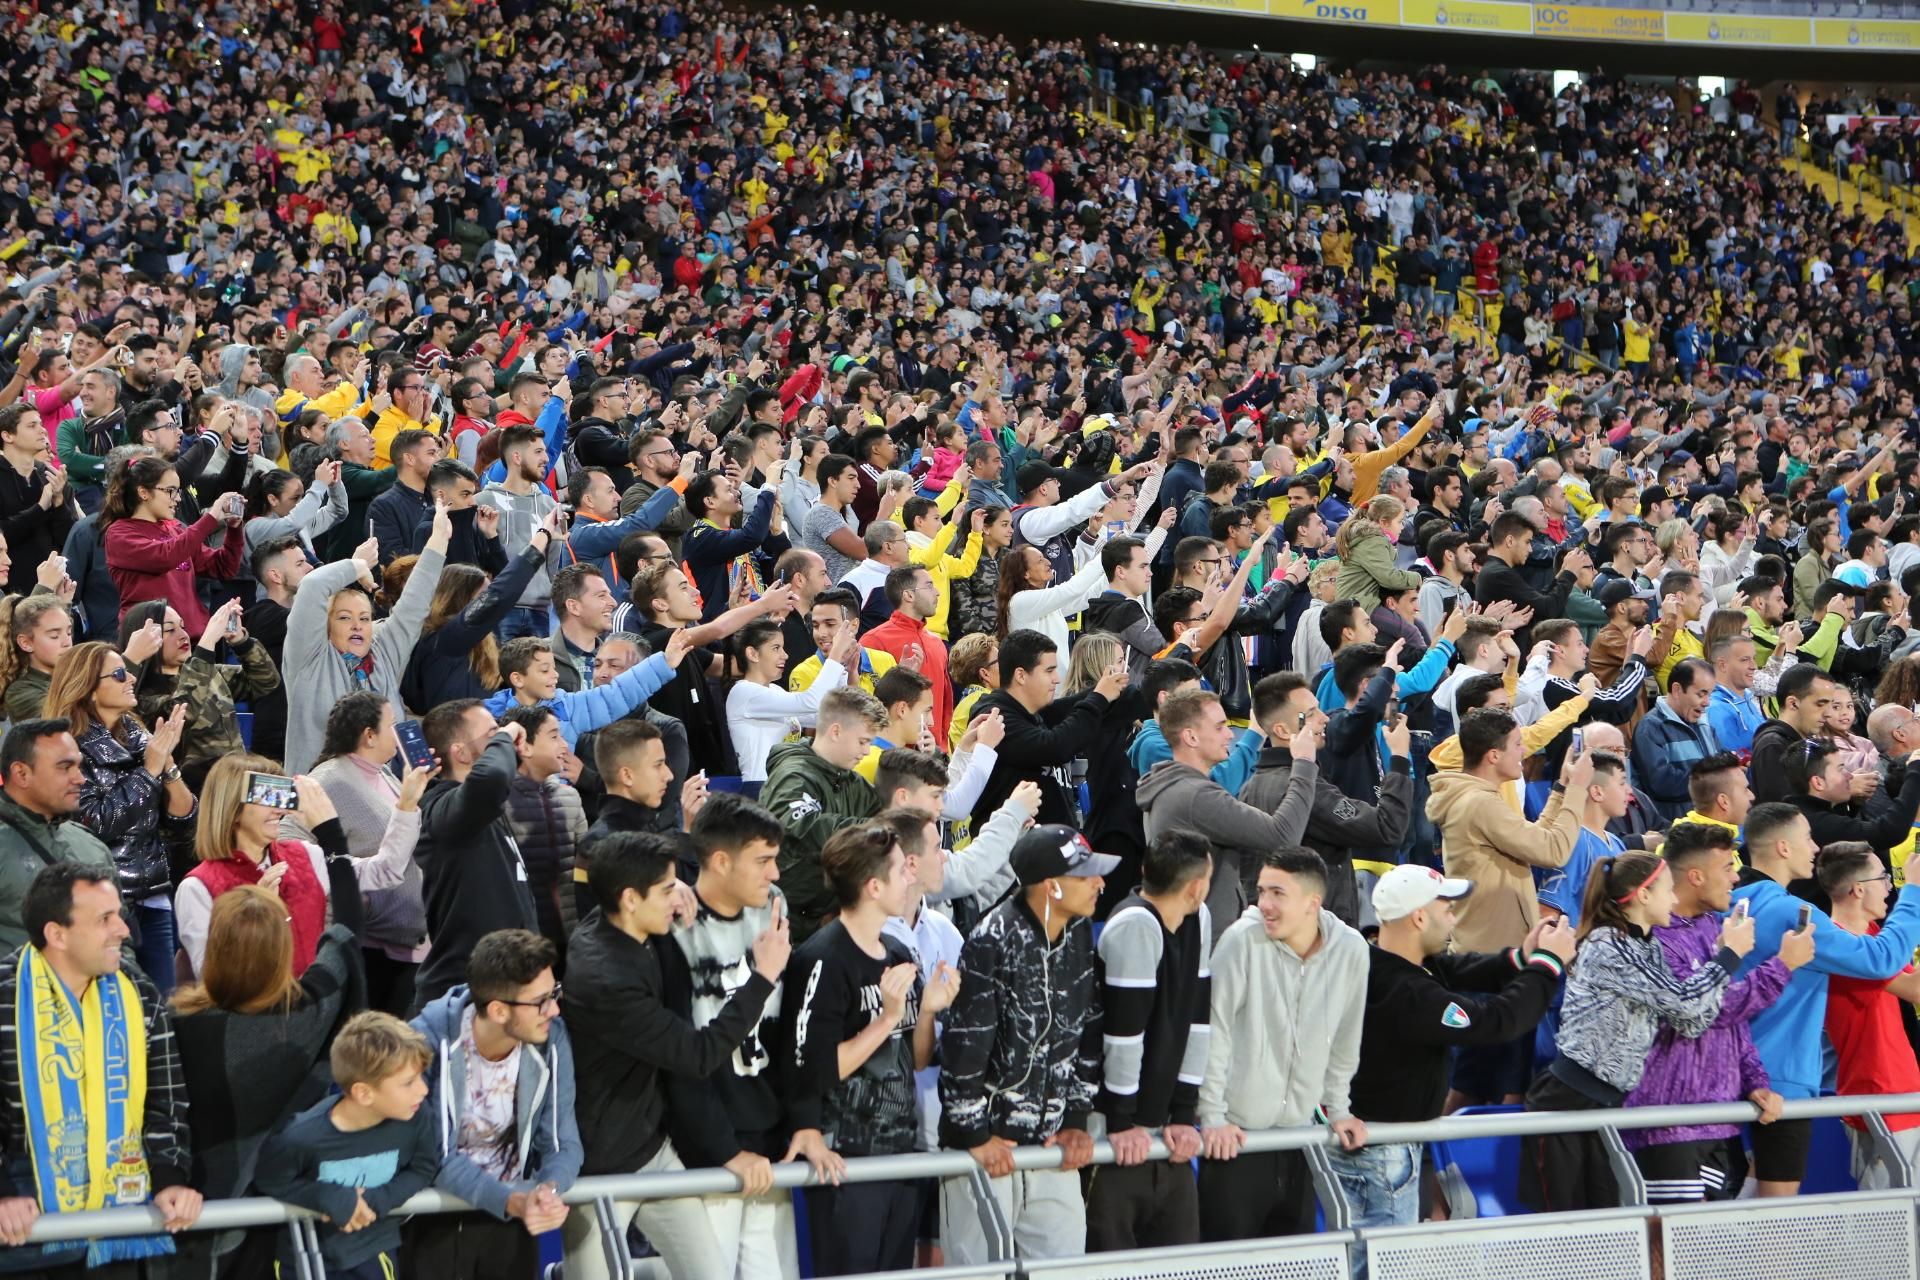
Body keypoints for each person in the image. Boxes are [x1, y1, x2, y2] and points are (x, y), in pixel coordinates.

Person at [561, 830, 789, 1280]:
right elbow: (698, 1054)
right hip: (598, 1165)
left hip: (653, 1150)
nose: (678, 899)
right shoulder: (606, 979)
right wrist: (762, 978)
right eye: (666, 890)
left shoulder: (614, 924)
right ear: (629, 899)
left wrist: (673, 888)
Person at [1343, 865, 1572, 1229]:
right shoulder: (1409, 993)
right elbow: (1497, 1020)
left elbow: (1463, 969)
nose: (1453, 919)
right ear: (1419, 918)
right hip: (1382, 1154)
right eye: (1446, 909)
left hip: (1383, 1145)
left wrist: (1523, 958)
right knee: (1381, 1262)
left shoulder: (1387, 964)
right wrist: (1548, 964)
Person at [1521, 852, 1752, 1212]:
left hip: (1609, 1103)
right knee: (1564, 1228)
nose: (1675, 899)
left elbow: (1690, 1021)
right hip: (1566, 1101)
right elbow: (1686, 1002)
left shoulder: (1648, 947)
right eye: (1667, 891)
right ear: (1643, 895)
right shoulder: (1606, 945)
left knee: (1609, 1227)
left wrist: (1719, 964)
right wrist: (1727, 958)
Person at [0, 862, 203, 1270]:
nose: (124, 930)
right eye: (104, 919)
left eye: (120, 915)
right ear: (57, 934)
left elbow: (167, 1100)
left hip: (122, 1216)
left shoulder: (138, 989)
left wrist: (169, 1178)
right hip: (22, 1218)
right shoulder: (4, 995)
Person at [780, 819, 956, 1276]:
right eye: (900, 871)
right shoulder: (822, 958)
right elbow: (814, 1069)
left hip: (902, 1146)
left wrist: (929, 1009)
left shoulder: (898, 952)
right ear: (873, 886)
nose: (910, 877)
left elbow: (914, 1059)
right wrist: (887, 1019)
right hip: (848, 1158)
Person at [938, 822, 1110, 1265]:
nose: (1100, 882)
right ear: (1051, 886)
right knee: (978, 1274)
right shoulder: (991, 939)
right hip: (987, 1147)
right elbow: (964, 1047)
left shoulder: (1078, 935)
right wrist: (975, 1135)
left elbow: (1086, 1035)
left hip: (1051, 1145)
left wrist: (1075, 1118)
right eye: (1086, 874)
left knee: (1064, 1268)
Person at [171, 886, 364, 1279]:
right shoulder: (305, 1017)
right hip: (280, 1216)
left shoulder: (172, 1026)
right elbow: (343, 936)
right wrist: (331, 839)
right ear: (281, 953)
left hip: (186, 1214)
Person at [1734, 802, 1920, 1196]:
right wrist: (1915, 893)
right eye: (1807, 837)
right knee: (1773, 1210)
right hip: (1792, 1080)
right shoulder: (1799, 917)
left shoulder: (1742, 904)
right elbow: (1883, 961)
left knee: (1753, 1195)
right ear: (1783, 847)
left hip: (1758, 1071)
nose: (1814, 846)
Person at [1621, 823, 1804, 1204]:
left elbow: (1733, 1020)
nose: (1737, 878)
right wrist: (1782, 966)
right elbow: (1708, 1010)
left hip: (1719, 1122)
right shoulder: (1653, 939)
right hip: (1666, 1127)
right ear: (1696, 876)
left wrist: (1755, 1081)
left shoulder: (1711, 927)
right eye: (1727, 869)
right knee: (1665, 1251)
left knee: (1710, 1252)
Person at [1197, 847, 1367, 1241]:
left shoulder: (1352, 949)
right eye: (1262, 891)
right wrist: (1213, 1116)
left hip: (1300, 1141)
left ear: (1313, 903)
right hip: (1234, 1143)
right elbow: (1214, 1031)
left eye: (1278, 894)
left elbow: (1347, 1037)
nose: (1265, 904)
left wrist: (1338, 1108)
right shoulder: (1241, 941)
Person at [1426, 708, 1587, 1107]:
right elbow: (1553, 849)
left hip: (1501, 955)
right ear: (1493, 756)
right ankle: (1442, 1160)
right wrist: (1580, 790)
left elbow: (1536, 840)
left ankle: (1485, 1163)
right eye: (1518, 745)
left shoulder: (1480, 799)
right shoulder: (1480, 804)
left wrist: (1563, 789)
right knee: (1476, 1082)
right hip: (1491, 960)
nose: (1525, 752)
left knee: (1498, 1081)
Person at [406, 929, 583, 1277]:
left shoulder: (552, 1039)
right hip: (433, 1217)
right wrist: (512, 1201)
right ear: (499, 1010)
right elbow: (435, 1156)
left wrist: (547, 1191)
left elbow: (564, 1143)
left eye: (554, 993)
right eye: (541, 1001)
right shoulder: (427, 1042)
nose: (554, 1009)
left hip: (511, 1221)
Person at [1086, 828, 1213, 1252]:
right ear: (1197, 887)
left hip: (1162, 1131)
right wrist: (1124, 1123)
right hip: (1115, 1135)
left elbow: (1197, 1019)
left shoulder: (1200, 918)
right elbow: (1124, 1035)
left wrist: (1183, 1112)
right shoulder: (1134, 924)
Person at [45, 641, 197, 993]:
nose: (130, 677)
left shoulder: (141, 737)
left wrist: (169, 767)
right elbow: (96, 822)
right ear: (88, 688)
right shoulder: (69, 747)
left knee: (161, 1006)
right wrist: (150, 770)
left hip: (155, 893)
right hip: (102, 899)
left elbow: (183, 821)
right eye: (118, 673)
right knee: (112, 1002)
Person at [254, 1011, 441, 1280]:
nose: (423, 1090)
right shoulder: (301, 1136)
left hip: (374, 1252)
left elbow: (424, 1169)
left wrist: (377, 1200)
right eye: (408, 1083)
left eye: (421, 1077)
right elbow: (269, 1179)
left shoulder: (417, 1116)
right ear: (363, 1093)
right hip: (306, 1258)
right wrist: (328, 1196)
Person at [282, 503, 448, 774]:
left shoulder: (383, 654)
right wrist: (357, 565)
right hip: (317, 799)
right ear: (327, 625)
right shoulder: (308, 658)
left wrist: (439, 540)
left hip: (378, 797)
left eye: (364, 618)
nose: (357, 626)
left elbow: (414, 604)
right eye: (344, 618)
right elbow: (312, 587)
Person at [1137, 686, 1318, 930]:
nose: (1230, 735)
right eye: (1220, 727)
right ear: (1191, 737)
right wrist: (1304, 763)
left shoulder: (1176, 787)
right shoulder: (1195, 796)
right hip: (1208, 944)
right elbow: (1283, 836)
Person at [1244, 673, 1414, 926]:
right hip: (1318, 933)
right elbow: (1387, 827)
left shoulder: (1251, 786)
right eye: (1311, 713)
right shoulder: (1305, 788)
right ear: (1282, 730)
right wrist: (1399, 758)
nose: (1324, 718)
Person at [411, 704, 540, 1010]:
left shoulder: (480, 811)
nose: (502, 742)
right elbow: (491, 778)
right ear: (461, 753)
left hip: (505, 986)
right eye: (491, 734)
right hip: (464, 998)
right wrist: (507, 736)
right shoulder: (440, 808)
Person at [1819, 843, 1920, 1186]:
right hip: (1877, 1093)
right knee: (1889, 1225)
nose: (1890, 887)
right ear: (1859, 889)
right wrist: (1915, 894)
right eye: (1884, 878)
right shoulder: (1842, 946)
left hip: (1902, 1091)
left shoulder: (1875, 938)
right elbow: (1914, 990)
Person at [117, 596, 280, 790]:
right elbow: (187, 707)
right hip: (192, 793)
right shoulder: (138, 696)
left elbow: (266, 682)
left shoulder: (207, 673)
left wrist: (241, 641)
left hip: (233, 781)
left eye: (183, 627)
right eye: (170, 630)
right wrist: (208, 642)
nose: (183, 635)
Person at [969, 628, 1126, 830]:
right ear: (1021, 675)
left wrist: (1109, 691)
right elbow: (1054, 747)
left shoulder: (1033, 711)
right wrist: (1099, 698)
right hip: (1014, 853)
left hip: (1053, 845)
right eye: (1049, 670)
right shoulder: (994, 716)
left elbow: (1068, 707)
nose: (1057, 679)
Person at [763, 686, 887, 940]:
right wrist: (872, 831)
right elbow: (800, 827)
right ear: (836, 731)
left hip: (827, 921)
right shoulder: (792, 775)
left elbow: (887, 820)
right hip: (784, 925)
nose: (866, 751)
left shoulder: (853, 783)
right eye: (863, 741)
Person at [99, 456, 244, 632]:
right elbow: (165, 556)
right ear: (143, 492)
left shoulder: (176, 529)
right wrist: (211, 518)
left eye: (178, 492)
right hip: (151, 640)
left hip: (190, 637)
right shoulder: (119, 533)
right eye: (170, 491)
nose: (178, 499)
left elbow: (224, 568)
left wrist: (234, 529)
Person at [0, 719, 109, 950]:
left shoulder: (91, 845)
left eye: (78, 766)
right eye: (64, 767)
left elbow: (118, 937)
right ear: (21, 773)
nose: (80, 778)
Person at [726, 616, 854, 787]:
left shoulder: (775, 691)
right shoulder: (743, 693)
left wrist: (842, 668)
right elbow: (810, 701)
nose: (785, 655)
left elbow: (825, 717)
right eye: (776, 648)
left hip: (785, 784)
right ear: (753, 654)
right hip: (760, 789)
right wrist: (835, 655)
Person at [862, 564, 954, 743]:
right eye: (929, 585)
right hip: (893, 757)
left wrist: (942, 747)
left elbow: (946, 703)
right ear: (908, 595)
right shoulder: (873, 640)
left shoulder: (936, 643)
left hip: (934, 754)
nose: (937, 592)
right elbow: (864, 703)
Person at [1630, 658, 1720, 822]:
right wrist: (1714, 779)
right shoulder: (1651, 727)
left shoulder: (1705, 725)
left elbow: (1717, 763)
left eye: (1710, 694)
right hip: (1675, 832)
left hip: (1708, 828)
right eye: (1701, 694)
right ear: (1677, 690)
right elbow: (1661, 783)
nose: (1707, 702)